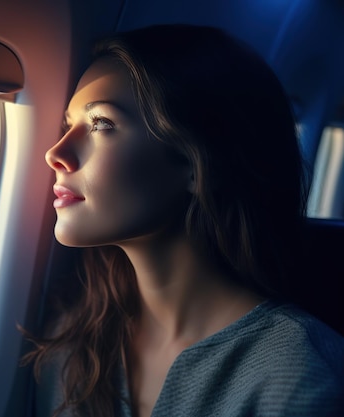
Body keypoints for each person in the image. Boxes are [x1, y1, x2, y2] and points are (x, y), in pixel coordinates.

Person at [23, 24, 344, 417]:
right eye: (65, 126)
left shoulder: (296, 373)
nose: (55, 153)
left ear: (196, 164)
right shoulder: (74, 342)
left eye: (101, 124)